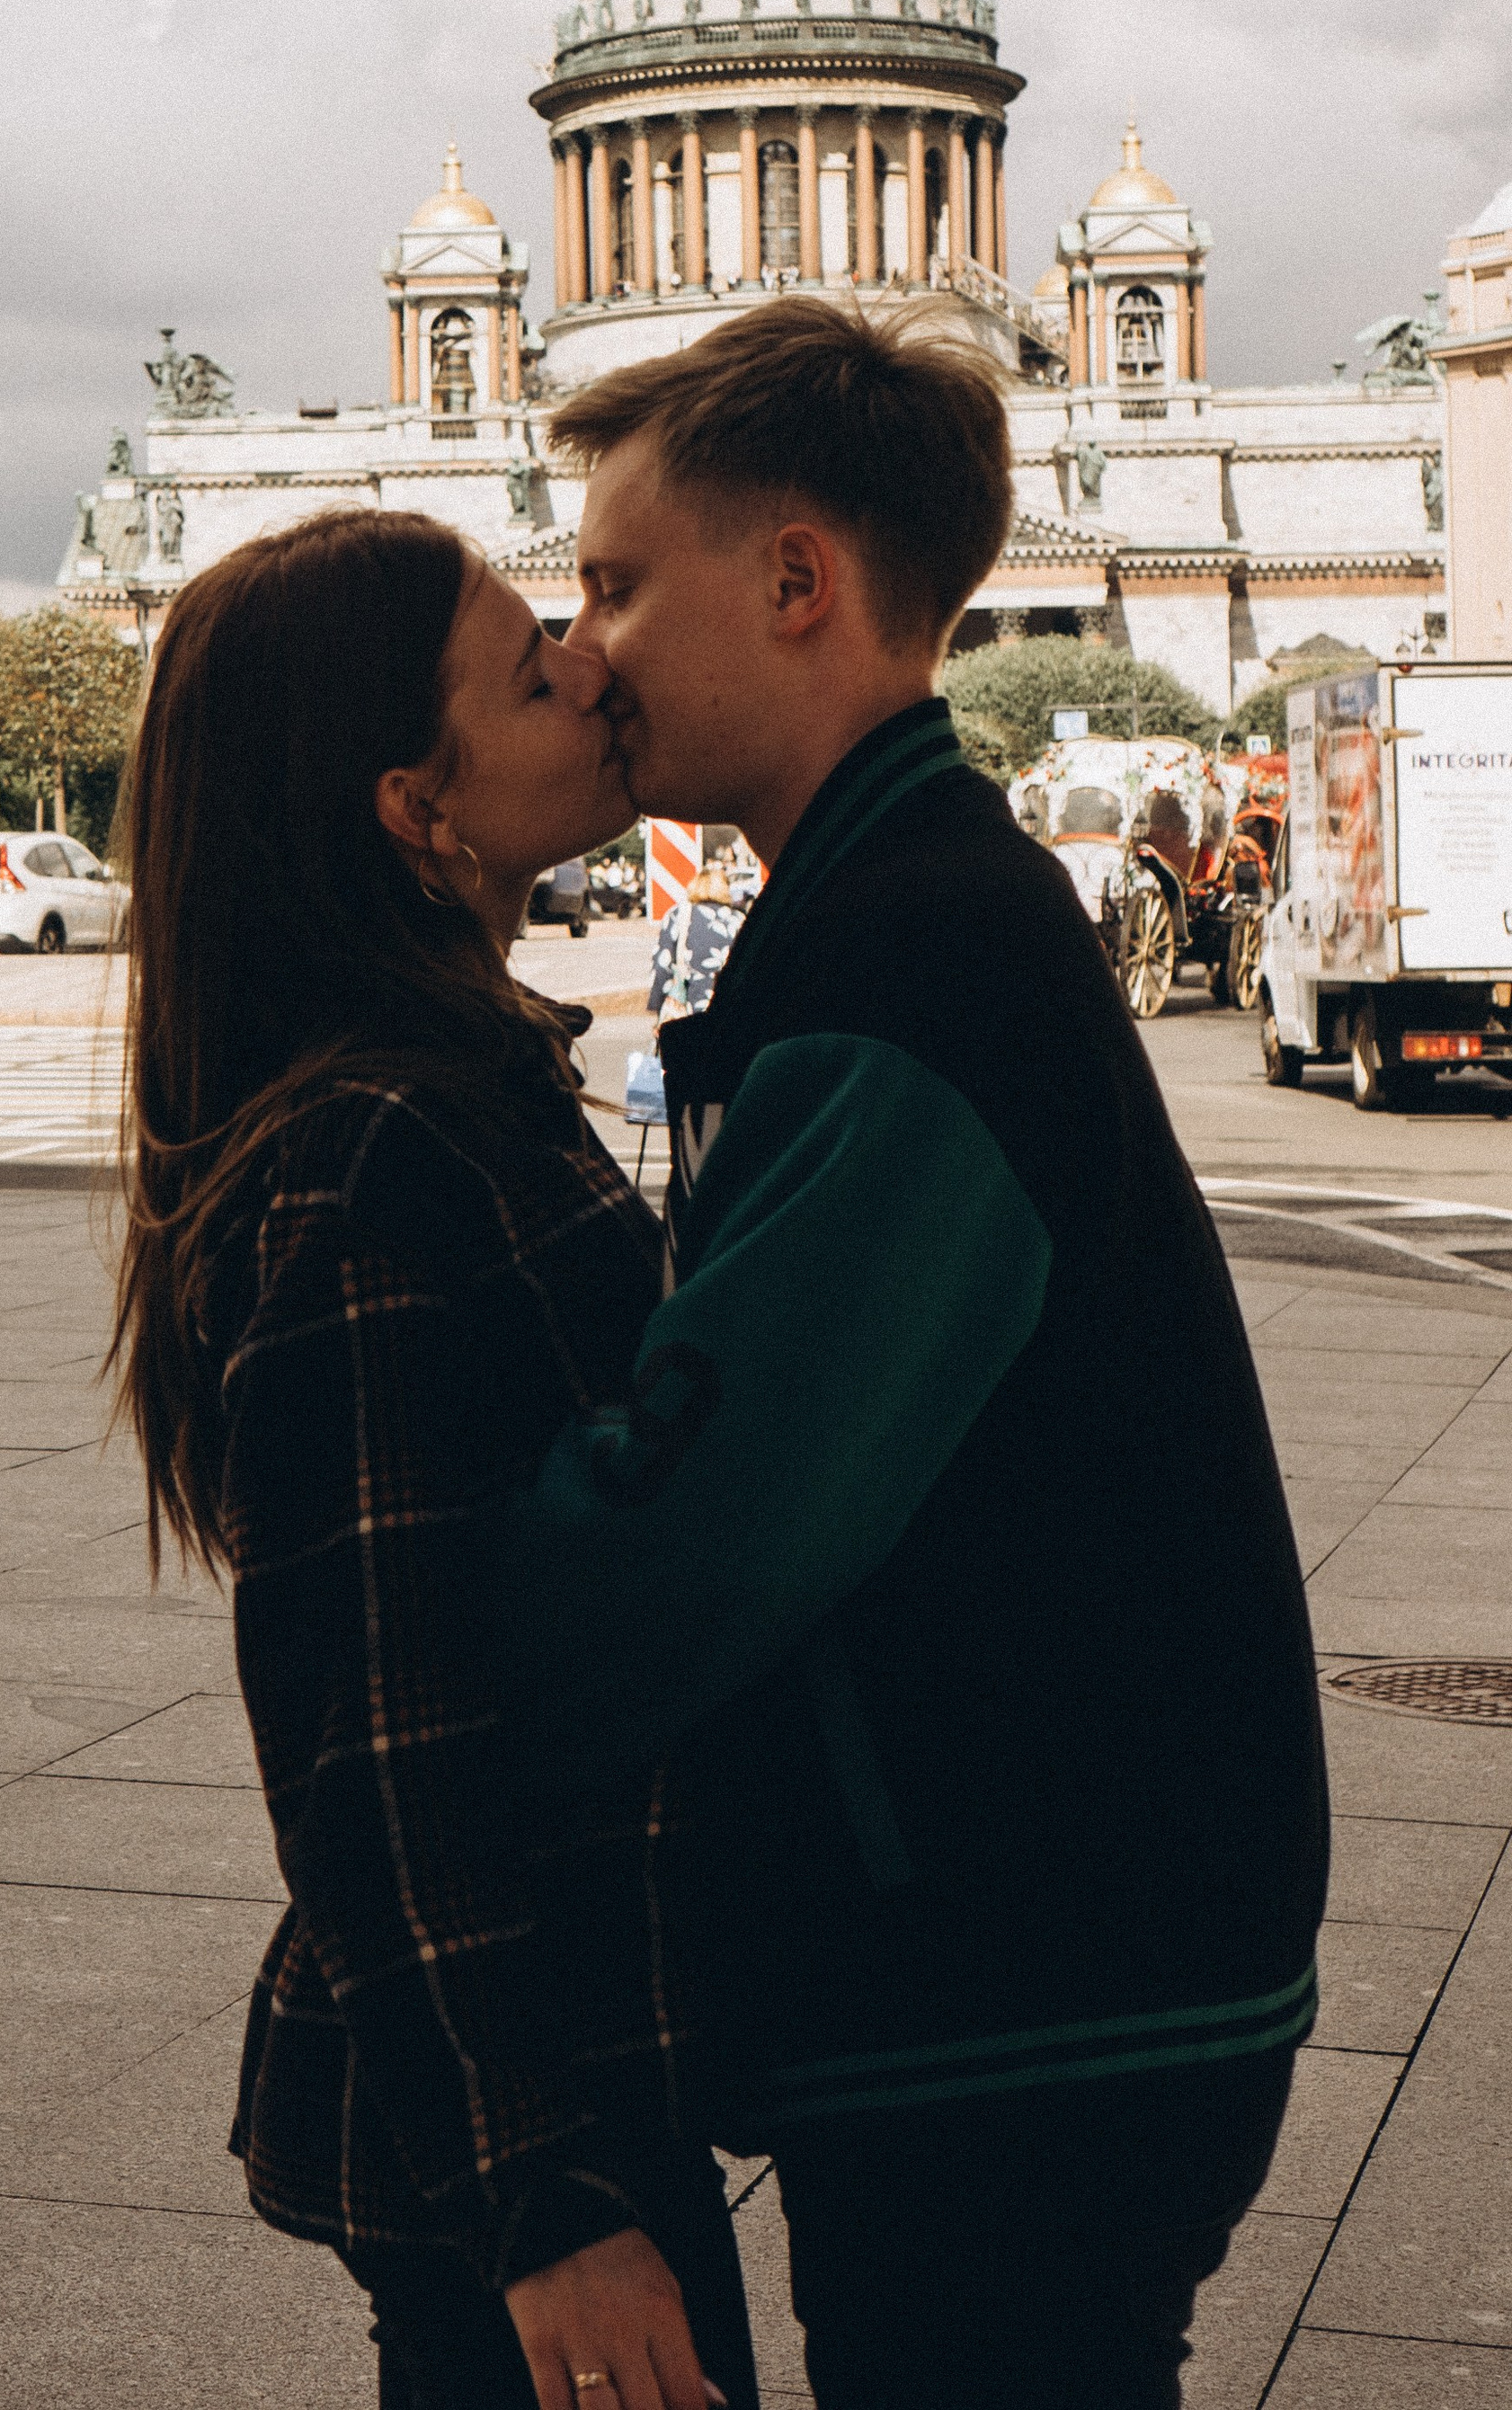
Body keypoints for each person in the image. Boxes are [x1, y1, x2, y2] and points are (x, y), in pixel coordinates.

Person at [496, 296, 1327, 2410]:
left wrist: (426, 1625)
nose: (574, 646)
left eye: (608, 581)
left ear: (792, 579)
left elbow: (690, 1538)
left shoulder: (901, 956)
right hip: (1067, 1938)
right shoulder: (908, 905)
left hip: (1018, 1976)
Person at [109, 509, 757, 2410]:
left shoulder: (438, 1087)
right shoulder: (374, 1148)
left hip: (557, 2067)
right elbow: (367, 1727)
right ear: (415, 807)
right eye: (521, 663)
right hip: (525, 2104)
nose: (586, 660)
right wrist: (538, 2200)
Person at [647, 858, 750, 1026]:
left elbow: (662, 964)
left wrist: (657, 1005)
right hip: (730, 1009)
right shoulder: (739, 919)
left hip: (690, 1007)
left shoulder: (678, 915)